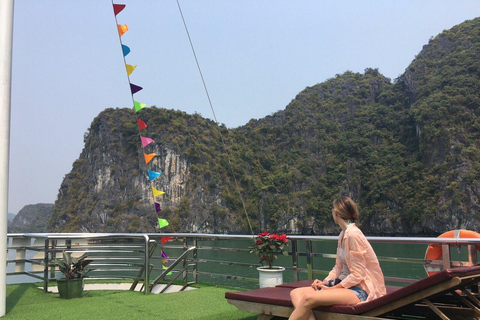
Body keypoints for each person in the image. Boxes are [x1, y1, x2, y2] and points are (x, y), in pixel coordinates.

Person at [289, 196, 386, 320]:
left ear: (336, 213)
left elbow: (358, 274)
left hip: (359, 290)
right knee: (296, 293)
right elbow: (338, 267)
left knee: (308, 298)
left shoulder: (353, 235)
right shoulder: (343, 234)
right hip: (344, 285)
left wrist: (334, 288)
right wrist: (325, 282)